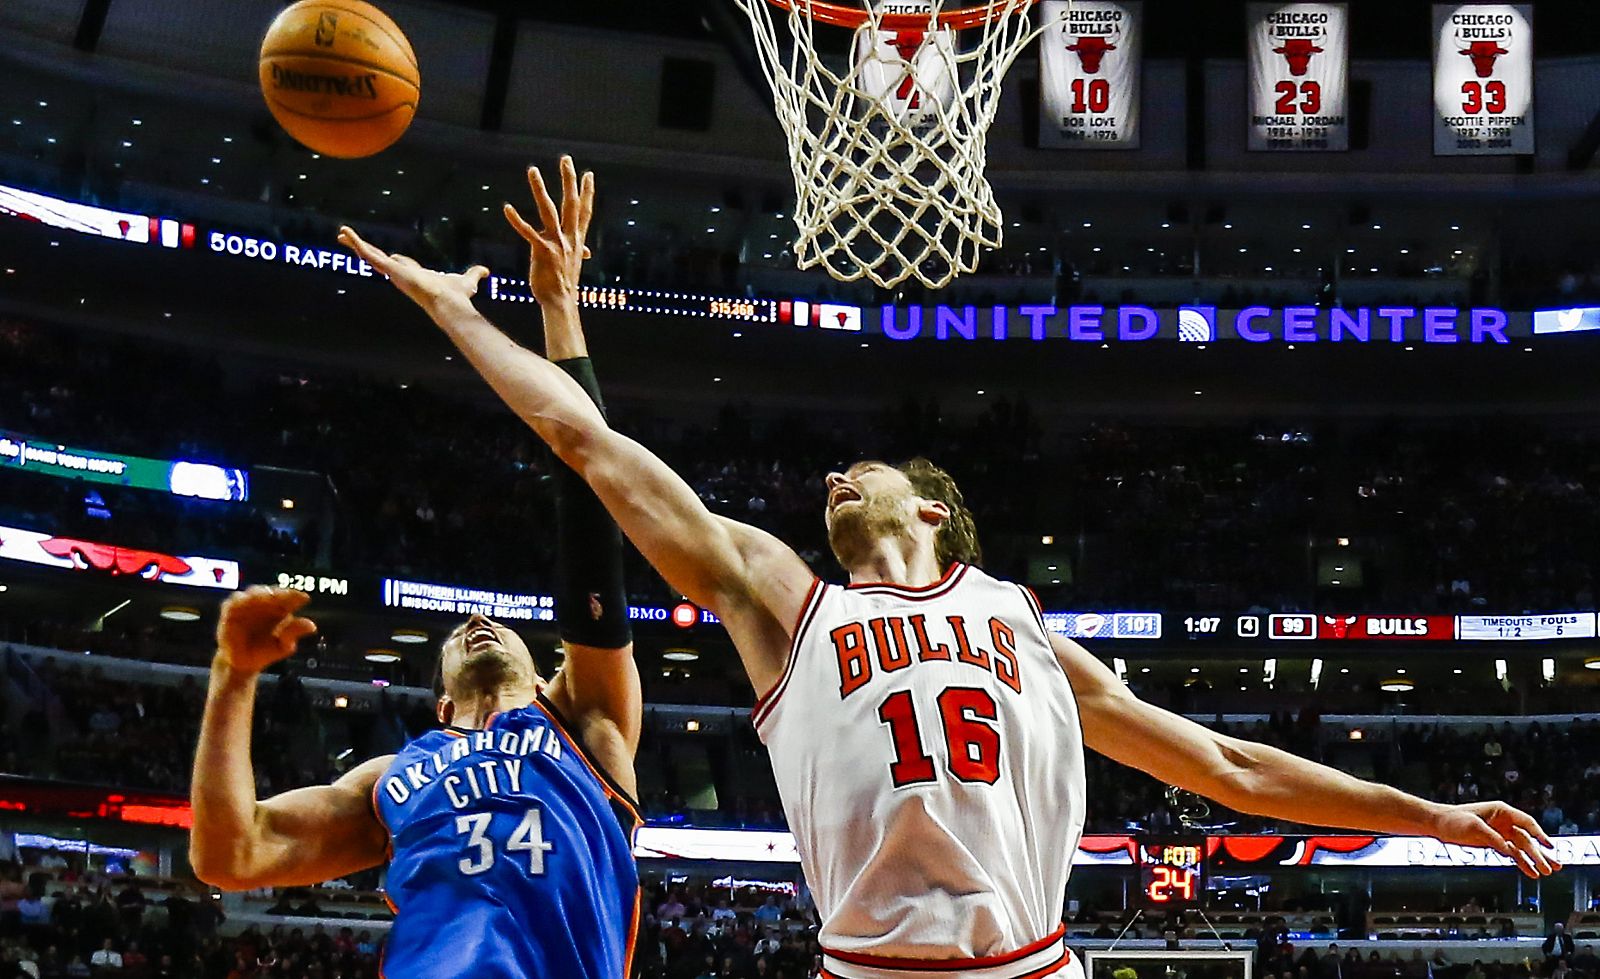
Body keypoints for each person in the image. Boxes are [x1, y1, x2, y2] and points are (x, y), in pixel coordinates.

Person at [337, 154, 1562, 979]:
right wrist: (484, 312)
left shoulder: (1021, 623)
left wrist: (1434, 814)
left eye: (858, 472)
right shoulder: (782, 599)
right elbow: (589, 450)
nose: (830, 481)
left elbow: (1228, 764)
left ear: (932, 507)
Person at [188, 281, 644, 979]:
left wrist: (559, 308)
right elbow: (232, 852)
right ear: (438, 705)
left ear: (544, 663)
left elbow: (591, 501)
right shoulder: (389, 778)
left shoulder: (585, 720)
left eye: (498, 624)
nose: (478, 621)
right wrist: (233, 679)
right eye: (460, 630)